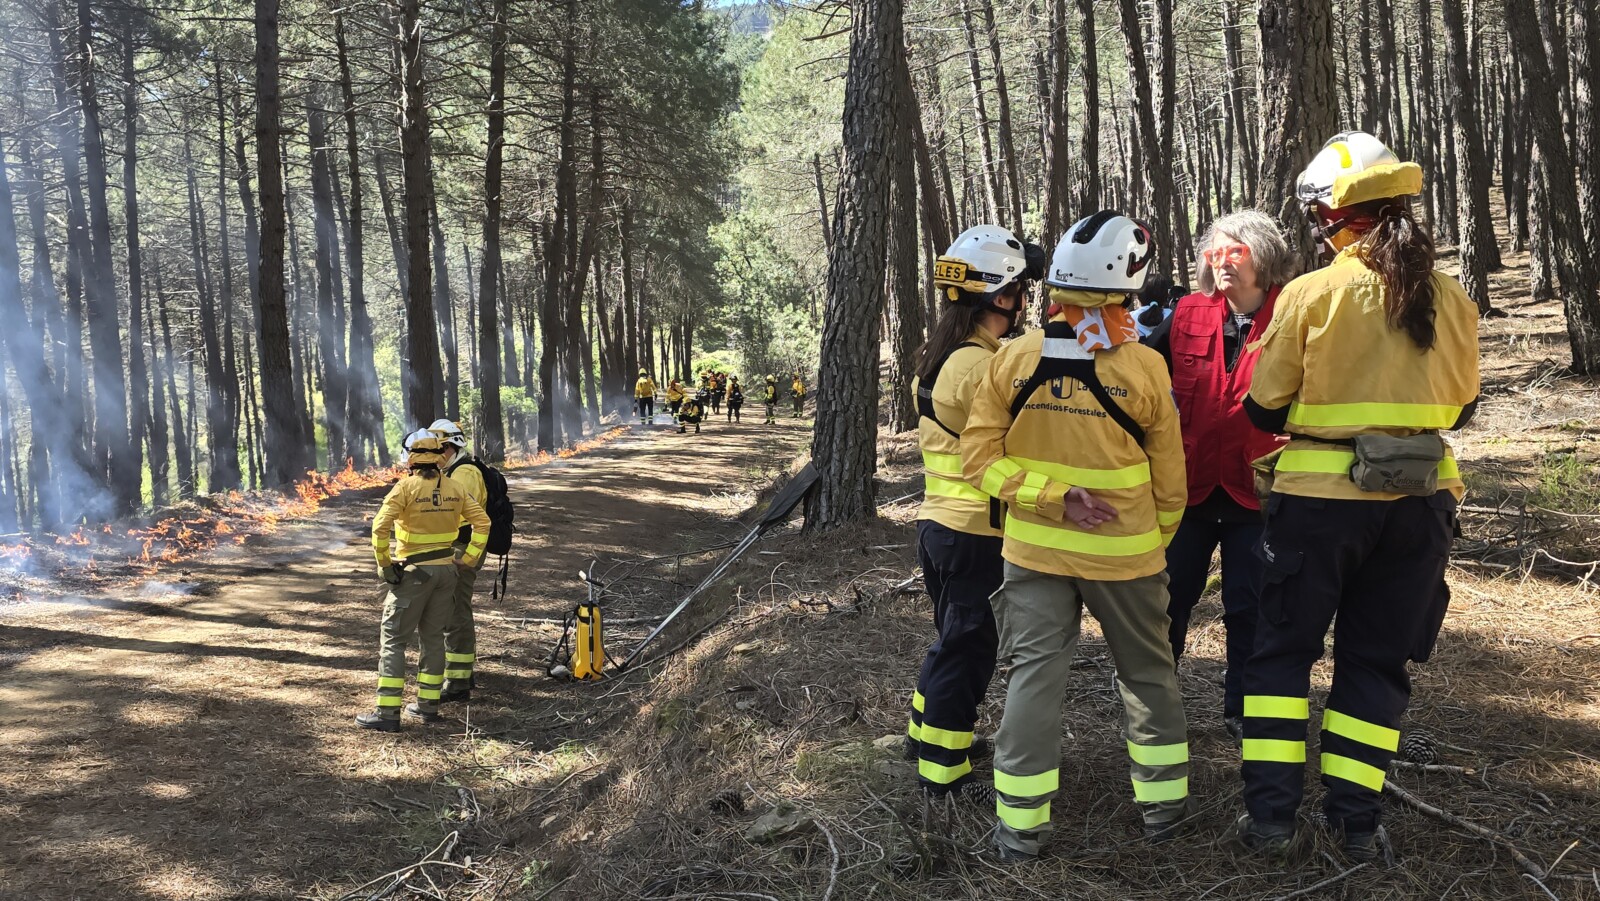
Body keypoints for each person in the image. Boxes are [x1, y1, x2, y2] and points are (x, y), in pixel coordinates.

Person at [1234, 131, 1479, 861]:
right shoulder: (1452, 298)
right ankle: (1358, 824)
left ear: (1335, 217)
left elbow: (1263, 408)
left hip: (1318, 508)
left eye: (1318, 217)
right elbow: (1463, 407)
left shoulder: (1313, 294)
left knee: (1280, 658)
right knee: (1376, 663)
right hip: (1420, 507)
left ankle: (1271, 821)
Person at [962, 211, 1190, 860]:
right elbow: (1171, 481)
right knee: (1148, 677)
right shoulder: (1144, 367)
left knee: (1033, 678)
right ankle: (1165, 813)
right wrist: (1157, 541)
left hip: (1034, 551)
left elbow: (979, 463)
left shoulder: (1013, 359)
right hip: (1128, 559)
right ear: (1127, 286)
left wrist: (1049, 499)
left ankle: (1019, 829)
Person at [1143, 211, 1296, 742]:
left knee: (1249, 607)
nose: (1223, 262)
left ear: (1263, 256)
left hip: (1258, 492)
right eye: (1215, 253)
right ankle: (1155, 703)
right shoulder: (1187, 311)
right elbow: (1141, 376)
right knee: (1167, 600)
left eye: (1236, 251)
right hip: (1188, 489)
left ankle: (1243, 708)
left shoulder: (1292, 313)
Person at [905, 225, 1043, 803]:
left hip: (942, 527)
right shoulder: (981, 366)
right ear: (1001, 296)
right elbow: (1018, 439)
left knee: (950, 640)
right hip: (973, 533)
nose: (1024, 300)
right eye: (1020, 289)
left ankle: (925, 734)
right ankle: (943, 772)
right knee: (968, 650)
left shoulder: (947, 354)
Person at [360, 430, 491, 732]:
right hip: (447, 573)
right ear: (439, 457)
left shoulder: (405, 488)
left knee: (394, 639)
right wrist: (469, 558)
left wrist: (385, 564)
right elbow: (483, 522)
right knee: (433, 638)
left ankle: (387, 712)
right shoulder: (455, 487)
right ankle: (428, 706)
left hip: (415, 573)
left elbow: (379, 527)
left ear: (412, 460)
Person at [428, 419, 490, 704]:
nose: (435, 454)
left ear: (452, 446)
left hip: (463, 550)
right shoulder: (452, 471)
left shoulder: (465, 473)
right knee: (453, 609)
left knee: (454, 612)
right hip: (457, 548)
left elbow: (458, 515)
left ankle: (457, 682)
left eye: (438, 448)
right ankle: (463, 672)